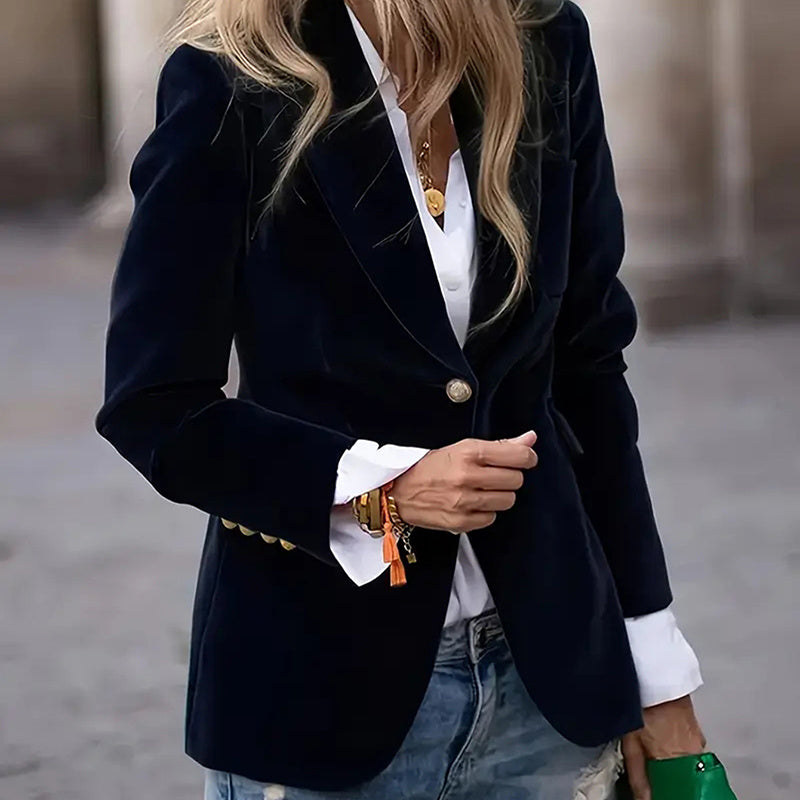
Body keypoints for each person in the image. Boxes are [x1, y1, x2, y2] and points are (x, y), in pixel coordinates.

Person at [96, 0, 707, 797]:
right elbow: (156, 404)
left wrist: (660, 680)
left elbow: (588, 369)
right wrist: (382, 490)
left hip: (549, 693)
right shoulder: (232, 77)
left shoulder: (546, 39)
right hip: (321, 698)